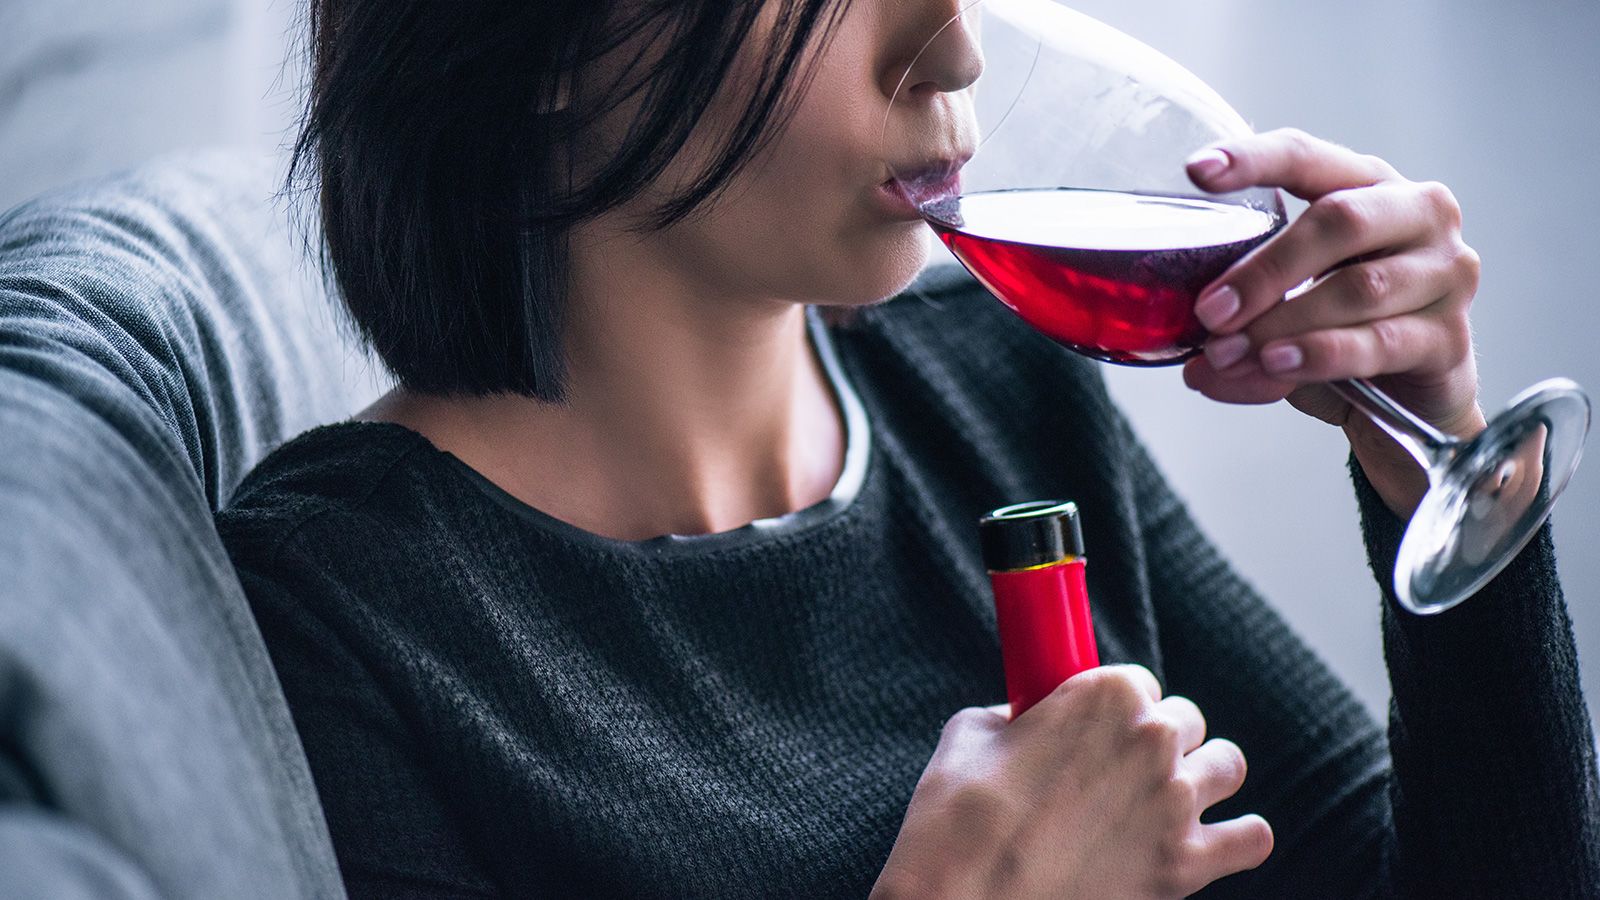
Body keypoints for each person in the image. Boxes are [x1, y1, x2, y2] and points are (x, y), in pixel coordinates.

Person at [216, 0, 1600, 896]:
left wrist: (1434, 460)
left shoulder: (990, 385)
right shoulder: (343, 612)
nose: (956, 52)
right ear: (543, 50)